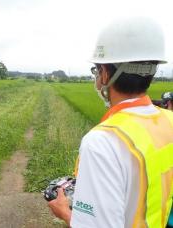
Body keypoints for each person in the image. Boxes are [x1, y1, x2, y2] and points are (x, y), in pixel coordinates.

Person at [48, 17, 173, 228]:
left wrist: (66, 214)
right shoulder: (169, 119)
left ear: (105, 74)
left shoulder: (103, 142)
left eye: (97, 71)